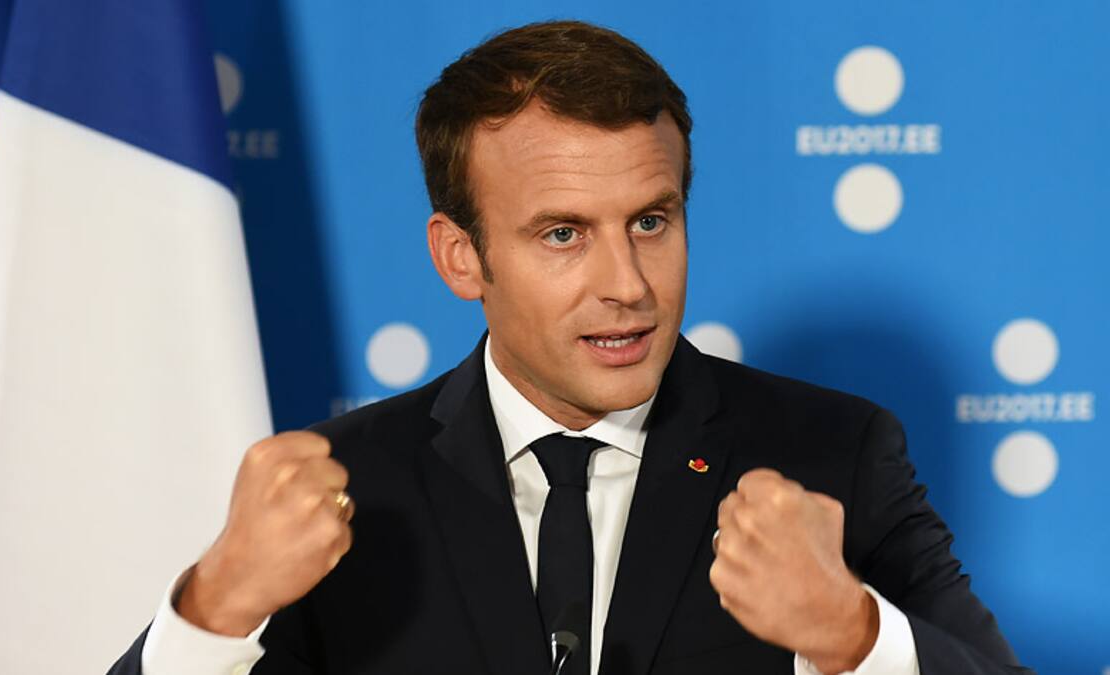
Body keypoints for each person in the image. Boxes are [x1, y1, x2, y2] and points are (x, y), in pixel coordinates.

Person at [110, 20, 1030, 675]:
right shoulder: (351, 485)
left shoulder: (831, 455)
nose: (627, 283)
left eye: (651, 221)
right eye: (563, 234)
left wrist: (852, 635)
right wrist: (215, 606)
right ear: (461, 256)